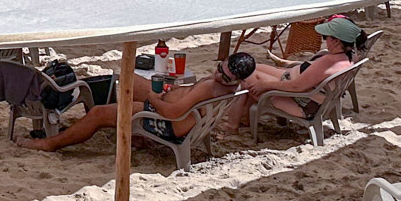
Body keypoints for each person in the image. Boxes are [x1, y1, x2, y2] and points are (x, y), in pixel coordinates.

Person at [17, 51, 255, 152]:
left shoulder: (209, 87)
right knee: (128, 77)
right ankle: (129, 132)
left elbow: (173, 113)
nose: (218, 76)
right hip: (177, 114)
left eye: (225, 76)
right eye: (219, 69)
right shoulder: (230, 86)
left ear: (236, 78)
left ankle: (50, 143)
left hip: (166, 121)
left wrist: (154, 97)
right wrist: (171, 91)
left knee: (100, 113)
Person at [224, 16, 367, 132]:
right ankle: (245, 118)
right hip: (308, 94)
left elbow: (296, 87)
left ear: (336, 41)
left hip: (299, 102)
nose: (324, 40)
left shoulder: (329, 62)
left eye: (326, 37)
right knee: (255, 68)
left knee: (245, 77)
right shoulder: (350, 55)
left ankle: (231, 127)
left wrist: (265, 85)